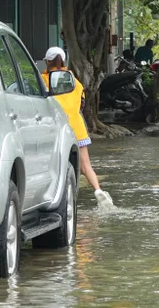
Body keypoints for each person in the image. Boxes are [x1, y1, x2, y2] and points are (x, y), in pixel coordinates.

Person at [42, 47, 113, 206]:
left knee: (54, 165)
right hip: (76, 126)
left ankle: (59, 199)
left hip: (55, 128)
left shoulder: (43, 79)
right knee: (85, 165)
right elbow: (81, 100)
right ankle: (98, 190)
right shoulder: (72, 79)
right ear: (64, 60)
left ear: (47, 61)